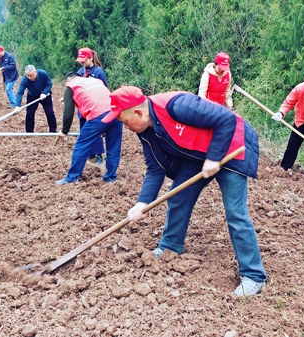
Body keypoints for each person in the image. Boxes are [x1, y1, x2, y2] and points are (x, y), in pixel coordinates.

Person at [104, 86, 267, 297]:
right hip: (199, 155)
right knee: (179, 196)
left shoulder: (176, 105)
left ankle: (253, 275)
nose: (125, 127)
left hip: (232, 148)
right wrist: (141, 203)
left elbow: (226, 119)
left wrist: (214, 158)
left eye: (124, 122)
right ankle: (170, 247)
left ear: (138, 113)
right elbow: (155, 169)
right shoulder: (145, 132)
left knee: (235, 211)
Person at [55, 72, 123, 185]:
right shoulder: (96, 80)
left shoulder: (70, 85)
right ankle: (111, 177)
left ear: (68, 80)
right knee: (114, 148)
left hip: (97, 116)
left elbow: (68, 113)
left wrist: (64, 131)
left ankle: (72, 177)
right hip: (116, 113)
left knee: (81, 146)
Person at [76, 47, 107, 165]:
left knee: (96, 131)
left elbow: (104, 90)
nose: (81, 62)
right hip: (83, 107)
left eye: (84, 60)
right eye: (80, 60)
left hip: (95, 108)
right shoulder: (80, 72)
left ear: (90, 58)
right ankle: (89, 153)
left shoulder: (99, 73)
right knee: (84, 130)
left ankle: (99, 155)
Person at [13, 65, 57, 133]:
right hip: (32, 96)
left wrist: (44, 92)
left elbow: (49, 84)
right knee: (29, 114)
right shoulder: (24, 80)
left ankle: (53, 131)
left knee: (49, 112)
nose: (29, 77)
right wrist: (17, 106)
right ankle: (29, 132)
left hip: (45, 95)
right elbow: (20, 92)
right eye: (28, 75)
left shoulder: (43, 74)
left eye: (31, 75)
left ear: (36, 72)